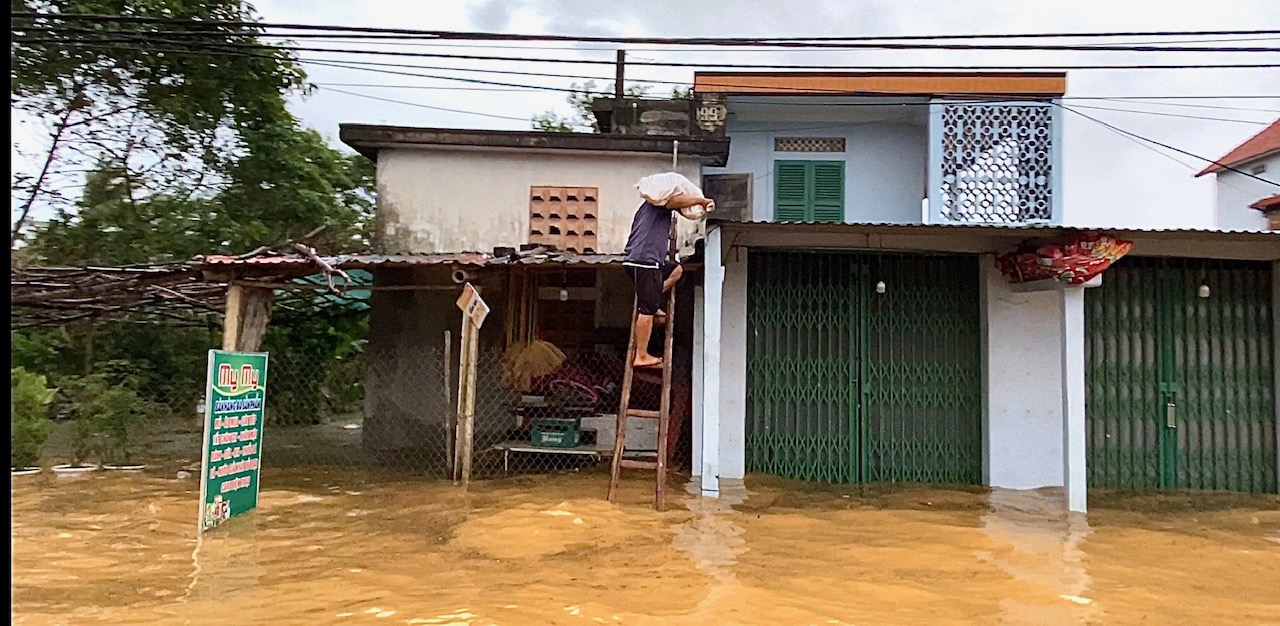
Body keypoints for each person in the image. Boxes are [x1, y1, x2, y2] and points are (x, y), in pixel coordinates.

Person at [622, 191, 714, 368]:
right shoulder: (658, 203)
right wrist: (702, 200)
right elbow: (675, 201)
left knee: (676, 270)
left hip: (644, 260)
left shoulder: (647, 208)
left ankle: (652, 299)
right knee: (646, 311)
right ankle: (641, 355)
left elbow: (679, 207)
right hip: (645, 261)